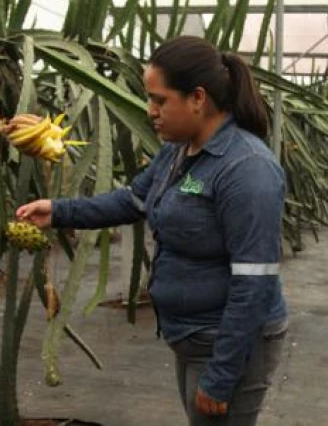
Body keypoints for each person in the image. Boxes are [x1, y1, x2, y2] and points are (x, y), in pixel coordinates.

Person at [16, 35, 288, 425]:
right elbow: (133, 200)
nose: (151, 111)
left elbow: (255, 281)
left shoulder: (247, 169)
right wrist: (59, 212)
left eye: (160, 100)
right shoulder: (178, 151)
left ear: (198, 98)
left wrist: (222, 375)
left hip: (228, 343)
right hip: (192, 337)